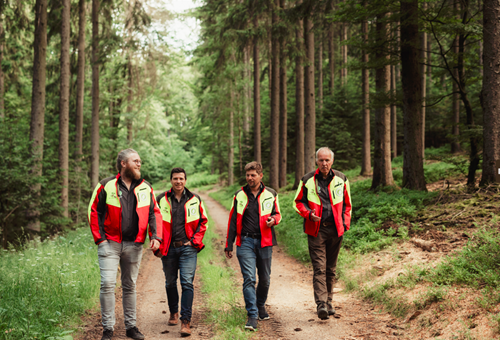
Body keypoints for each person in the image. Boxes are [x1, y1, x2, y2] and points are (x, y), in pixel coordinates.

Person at [88, 148, 163, 340]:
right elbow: (93, 210)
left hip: (134, 245)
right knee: (107, 284)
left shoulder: (146, 187)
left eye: (140, 161)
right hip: (110, 243)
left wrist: (156, 236)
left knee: (129, 286)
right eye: (135, 161)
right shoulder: (106, 185)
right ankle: (108, 329)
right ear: (123, 163)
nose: (139, 164)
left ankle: (131, 327)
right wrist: (101, 239)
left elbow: (154, 212)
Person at [293, 147, 352, 320]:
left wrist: (345, 224)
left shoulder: (342, 179)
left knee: (330, 269)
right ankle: (321, 304)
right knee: (319, 267)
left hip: (336, 229)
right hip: (316, 230)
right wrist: (308, 214)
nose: (324, 163)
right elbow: (298, 202)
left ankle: (329, 302)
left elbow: (348, 205)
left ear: (332, 161)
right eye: (321, 160)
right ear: (316, 161)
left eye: (327, 160)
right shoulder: (307, 180)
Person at [225, 161, 282, 331]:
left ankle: (260, 304)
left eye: (253, 175)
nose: (250, 178)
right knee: (249, 278)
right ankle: (252, 314)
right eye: (248, 175)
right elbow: (232, 221)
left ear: (260, 175)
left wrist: (274, 220)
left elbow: (277, 213)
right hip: (246, 242)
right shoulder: (239, 195)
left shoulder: (271, 194)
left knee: (265, 278)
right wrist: (229, 244)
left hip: (265, 241)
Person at [155, 168, 208, 337]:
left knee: (187, 283)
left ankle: (186, 321)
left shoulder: (194, 199)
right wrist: (156, 241)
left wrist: (194, 242)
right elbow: (153, 221)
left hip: (187, 248)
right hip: (168, 248)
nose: (178, 181)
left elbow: (203, 222)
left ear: (186, 180)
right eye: (175, 178)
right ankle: (173, 312)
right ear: (171, 180)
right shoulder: (161, 199)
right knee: (170, 282)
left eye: (181, 179)